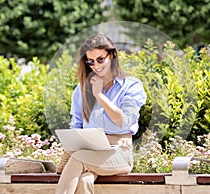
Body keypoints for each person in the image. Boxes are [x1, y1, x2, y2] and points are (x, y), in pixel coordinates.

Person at [55, 34, 147, 194]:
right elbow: (76, 124)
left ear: (111, 55)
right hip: (90, 151)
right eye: (90, 61)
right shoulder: (82, 89)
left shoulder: (131, 86)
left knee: (78, 158)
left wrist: (99, 95)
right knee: (85, 180)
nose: (95, 66)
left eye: (100, 59)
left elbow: (123, 121)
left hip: (119, 153)